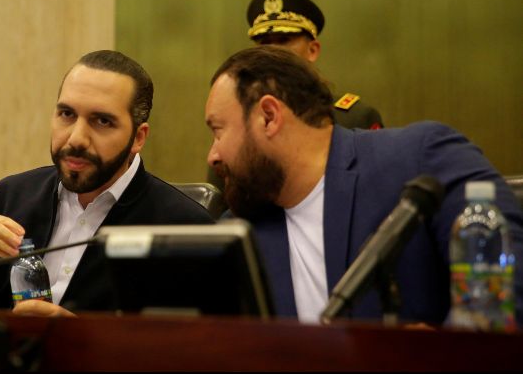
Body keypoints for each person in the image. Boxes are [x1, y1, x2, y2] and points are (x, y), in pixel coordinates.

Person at [204, 45, 523, 325]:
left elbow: (509, 283)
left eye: (218, 131)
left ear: (269, 116)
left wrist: (436, 354)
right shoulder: (238, 234)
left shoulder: (419, 160)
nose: (213, 155)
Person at [0, 50, 214, 316]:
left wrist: (78, 339)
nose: (75, 138)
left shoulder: (184, 229)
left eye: (102, 122)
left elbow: (186, 353)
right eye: (67, 114)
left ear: (138, 138)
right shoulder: (12, 196)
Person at [246, 0, 383, 130]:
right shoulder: (244, 119)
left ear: (312, 50)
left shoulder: (353, 119)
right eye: (265, 42)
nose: (272, 51)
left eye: (284, 40)